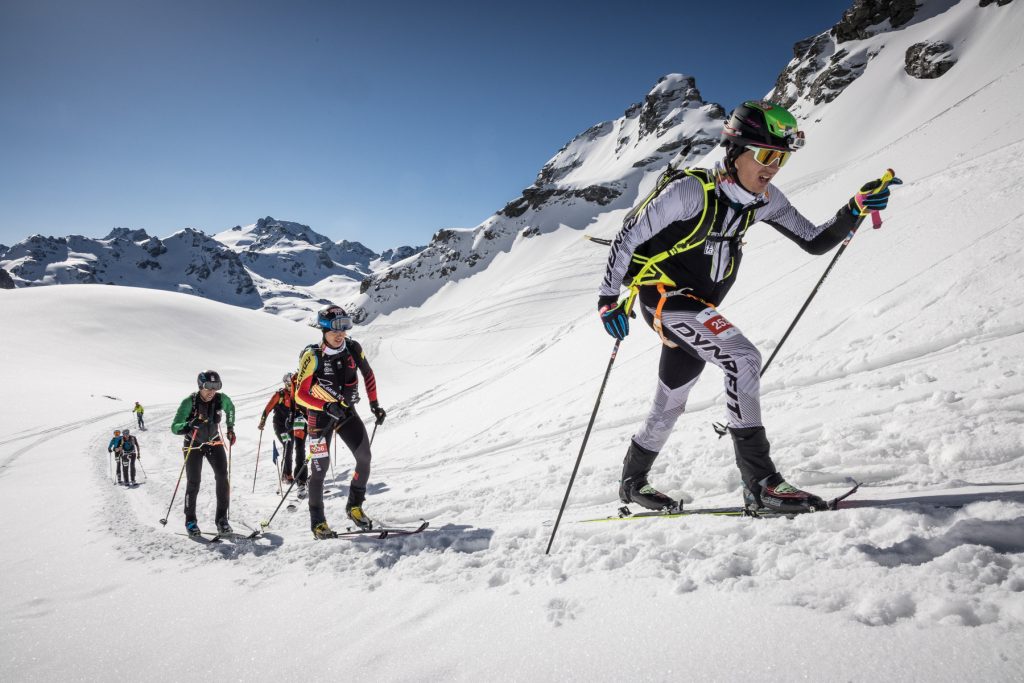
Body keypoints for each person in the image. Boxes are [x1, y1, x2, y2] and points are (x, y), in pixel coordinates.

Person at [598, 100, 900, 515]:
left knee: (670, 402)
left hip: (698, 307)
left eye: (781, 158)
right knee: (742, 358)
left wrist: (853, 209)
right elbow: (627, 237)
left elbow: (813, 240)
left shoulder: (766, 199)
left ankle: (632, 483)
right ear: (736, 151)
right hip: (666, 300)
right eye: (765, 155)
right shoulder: (688, 192)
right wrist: (607, 299)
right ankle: (760, 483)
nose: (774, 166)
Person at [294, 305, 387, 539]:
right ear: (323, 329)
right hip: (319, 417)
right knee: (319, 469)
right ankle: (318, 522)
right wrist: (325, 405)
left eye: (345, 327)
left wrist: (374, 404)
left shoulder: (353, 348)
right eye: (335, 329)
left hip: (346, 413)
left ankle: (354, 506)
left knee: (364, 457)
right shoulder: (312, 355)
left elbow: (369, 375)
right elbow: (299, 394)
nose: (340, 334)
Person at [170, 370, 237, 537]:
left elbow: (230, 409)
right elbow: (175, 426)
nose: (212, 392)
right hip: (193, 443)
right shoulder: (189, 402)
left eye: (216, 387)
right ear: (200, 386)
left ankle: (222, 520)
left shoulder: (221, 399)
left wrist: (230, 428)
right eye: (208, 388)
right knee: (194, 482)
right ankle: (190, 520)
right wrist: (190, 424)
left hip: (214, 441)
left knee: (222, 477)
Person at [257, 373, 307, 491]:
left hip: (292, 425)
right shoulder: (279, 395)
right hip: (280, 426)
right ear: (285, 384)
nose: (290, 387)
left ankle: (298, 474)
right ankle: (286, 474)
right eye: (288, 385)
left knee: (297, 446)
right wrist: (262, 421)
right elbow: (268, 408)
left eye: (293, 384)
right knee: (288, 444)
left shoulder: (297, 395)